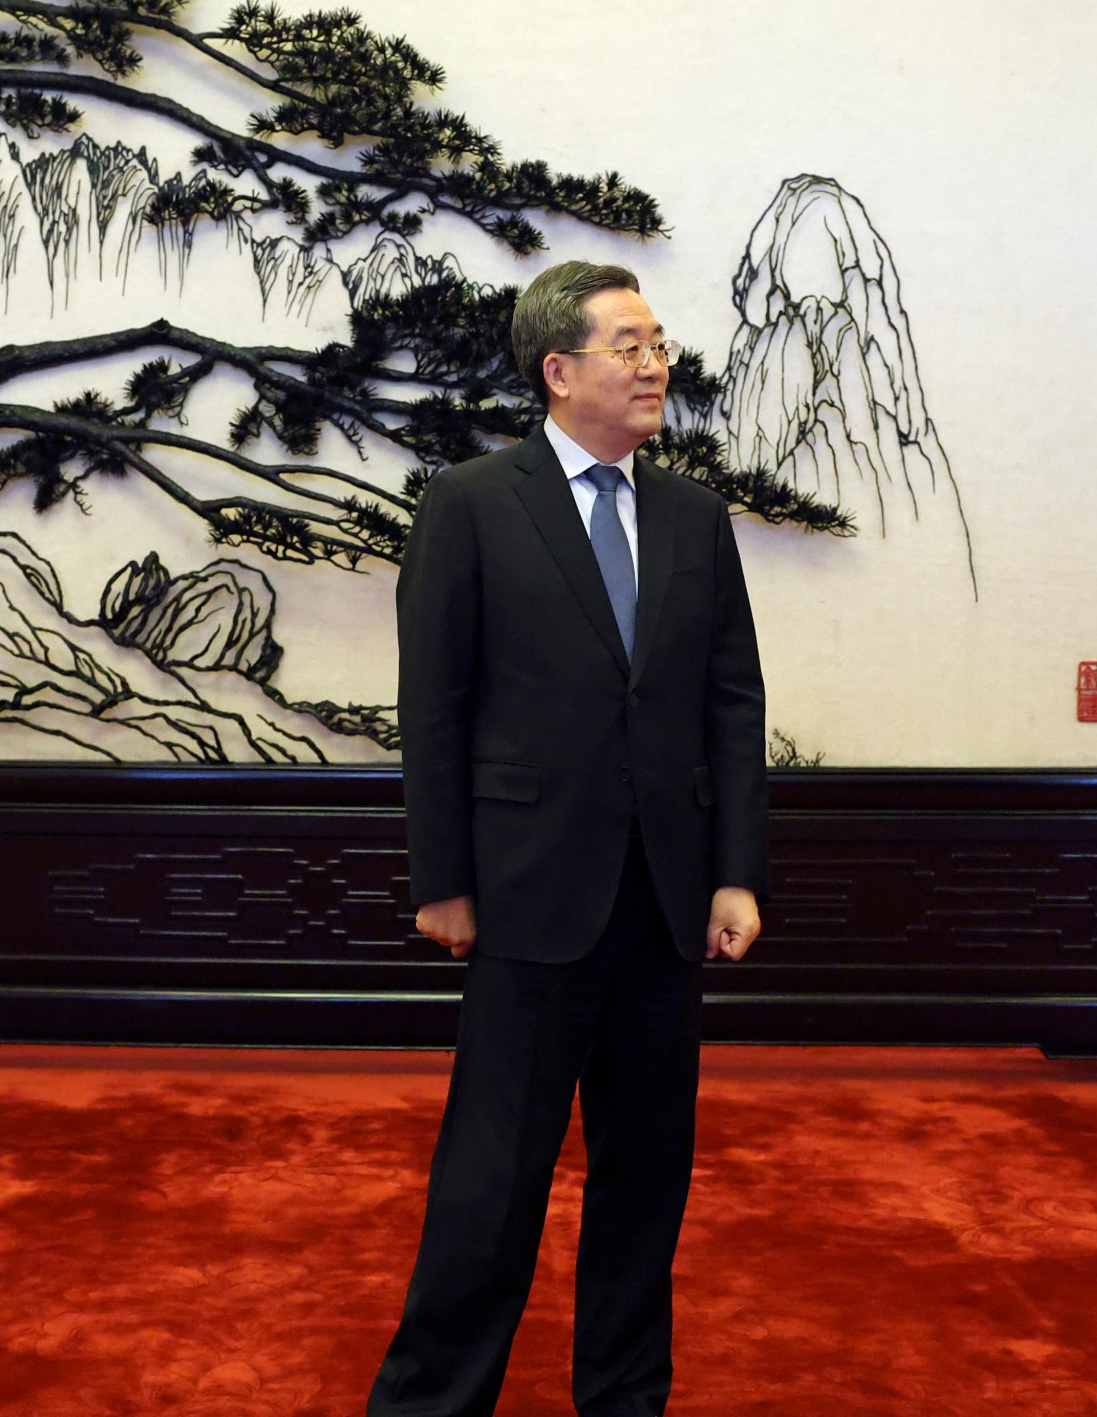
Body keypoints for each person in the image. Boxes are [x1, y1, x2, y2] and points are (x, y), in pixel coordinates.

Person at [366, 261, 771, 1417]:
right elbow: (433, 703)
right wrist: (440, 879)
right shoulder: (472, 503)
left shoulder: (691, 514)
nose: (655, 367)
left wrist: (736, 870)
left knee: (646, 1180)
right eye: (628, 346)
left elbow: (730, 703)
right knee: (491, 1186)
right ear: (560, 370)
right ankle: (433, 1403)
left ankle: (625, 1397)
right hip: (527, 893)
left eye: (658, 345)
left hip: (665, 902)